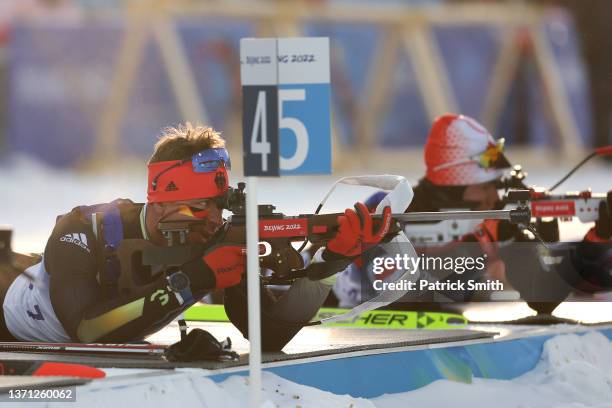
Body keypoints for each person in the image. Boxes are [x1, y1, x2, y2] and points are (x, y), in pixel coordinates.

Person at [0, 123, 392, 350]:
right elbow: (86, 330)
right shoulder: (85, 229)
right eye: (201, 207)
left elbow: (267, 336)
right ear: (164, 202)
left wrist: (331, 261)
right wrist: (197, 278)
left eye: (220, 207)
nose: (213, 220)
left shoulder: (216, 237)